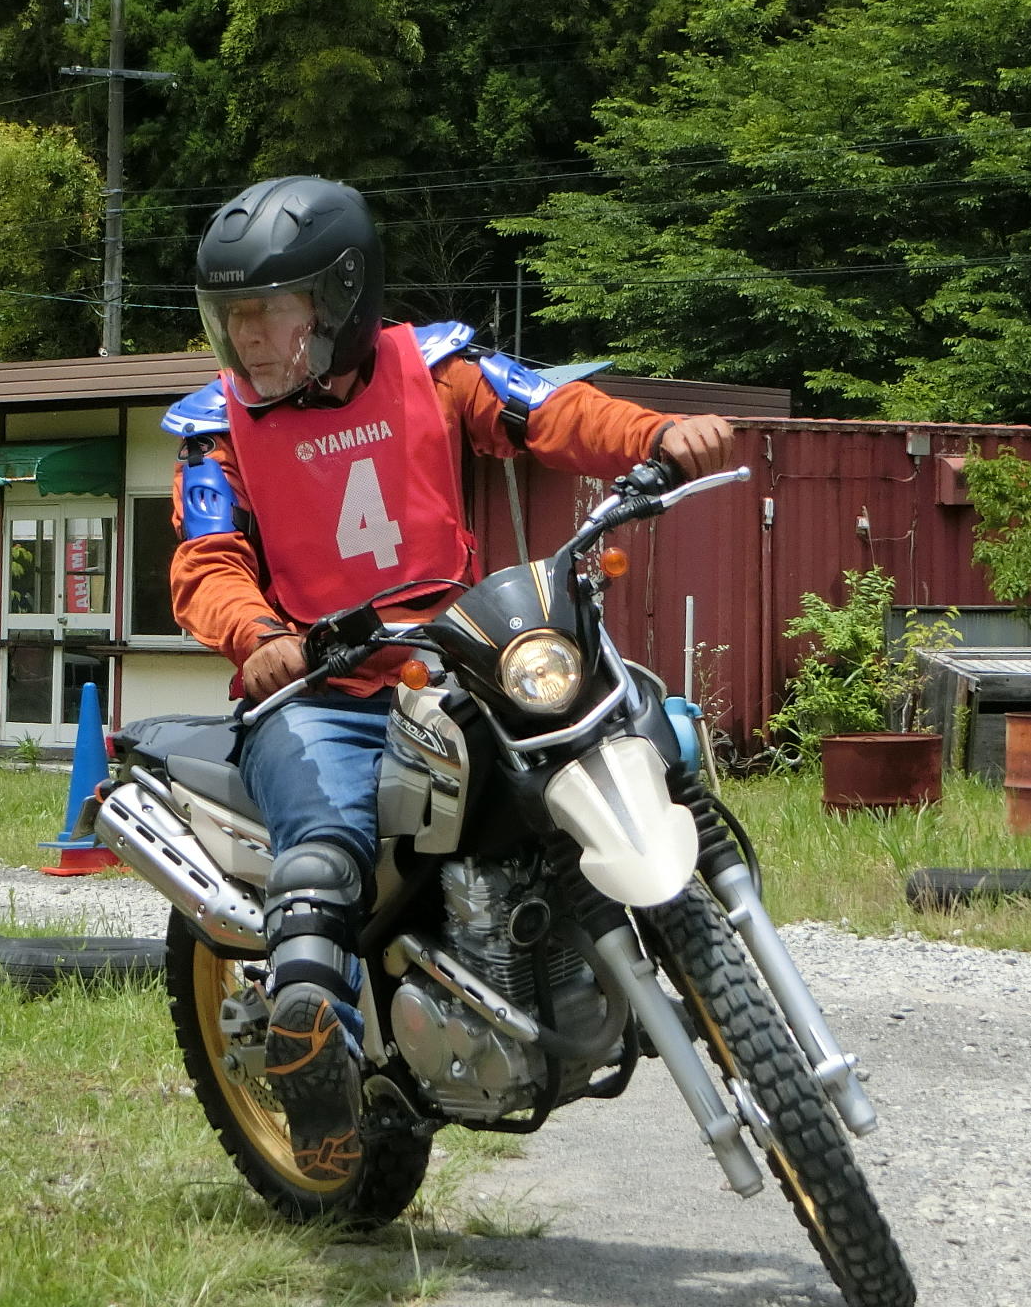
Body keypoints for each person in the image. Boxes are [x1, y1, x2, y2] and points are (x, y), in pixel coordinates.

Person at [164, 175, 736, 1182]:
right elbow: (205, 560)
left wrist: (652, 435)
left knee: (612, 725)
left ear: (338, 297)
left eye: (269, 312)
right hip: (321, 691)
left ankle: (663, 944)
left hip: (457, 661)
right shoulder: (214, 428)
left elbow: (548, 410)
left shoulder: (431, 366)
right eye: (233, 317)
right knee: (326, 831)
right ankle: (311, 1048)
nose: (248, 338)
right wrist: (256, 633)